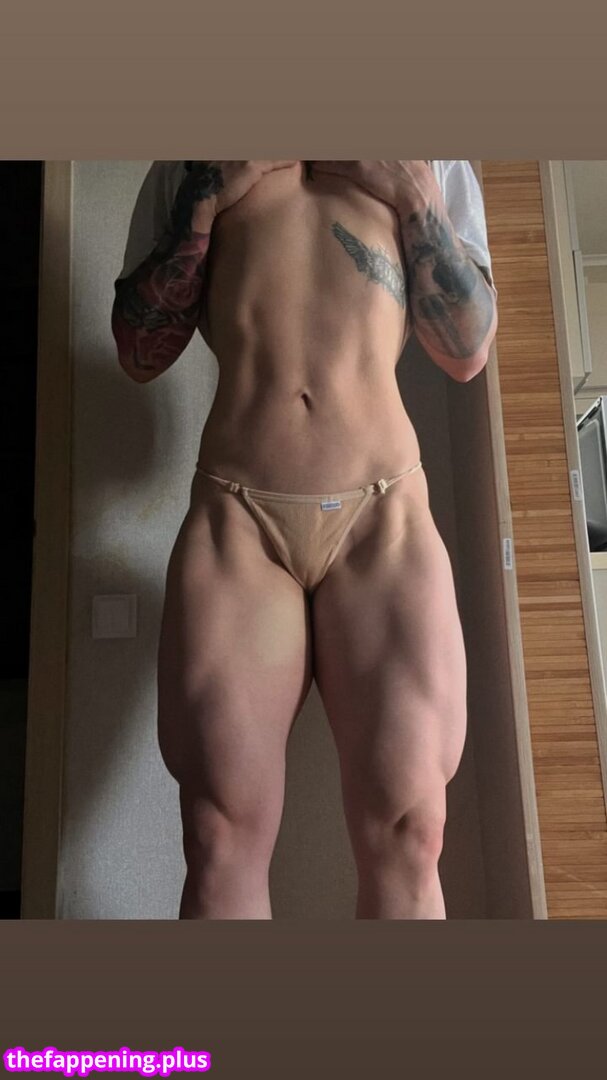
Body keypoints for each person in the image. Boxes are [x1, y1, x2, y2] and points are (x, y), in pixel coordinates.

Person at [111, 160, 498, 919]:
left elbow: (466, 352)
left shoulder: (431, 151)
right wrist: (204, 200)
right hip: (240, 520)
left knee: (412, 831)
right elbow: (139, 354)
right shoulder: (191, 155)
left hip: (383, 516)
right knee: (218, 835)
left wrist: (414, 195)